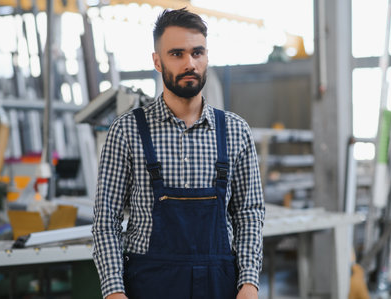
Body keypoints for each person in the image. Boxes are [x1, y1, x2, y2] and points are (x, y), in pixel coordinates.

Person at [92, 8, 265, 299]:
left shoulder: (236, 131)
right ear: (157, 61)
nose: (190, 63)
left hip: (218, 284)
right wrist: (113, 291)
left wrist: (248, 282)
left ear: (207, 56)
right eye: (177, 54)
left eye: (197, 53)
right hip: (150, 284)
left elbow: (249, 213)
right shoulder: (126, 132)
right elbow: (106, 220)